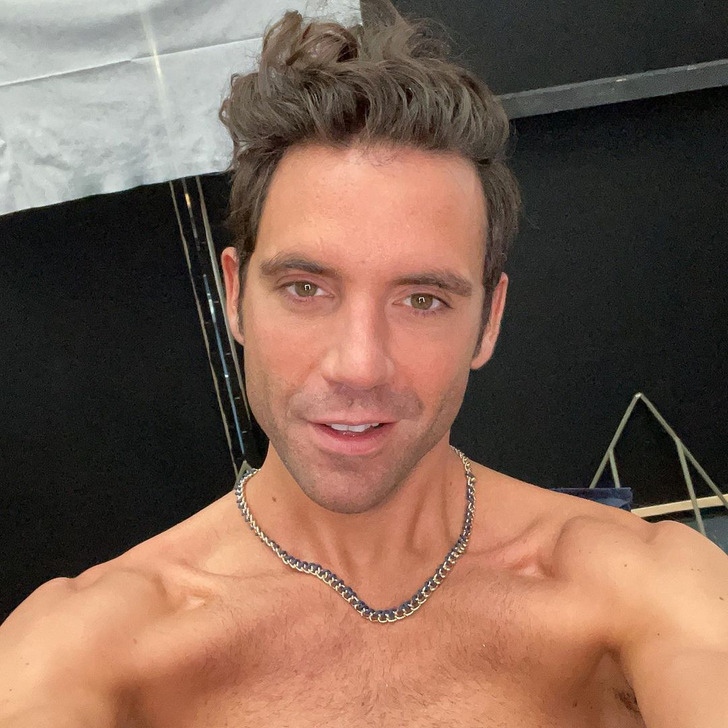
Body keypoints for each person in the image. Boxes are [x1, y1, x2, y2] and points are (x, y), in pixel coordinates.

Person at [2, 3, 728, 726]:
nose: (358, 366)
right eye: (305, 289)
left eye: (422, 300)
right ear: (235, 296)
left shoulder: (640, 592)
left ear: (489, 320)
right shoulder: (88, 648)